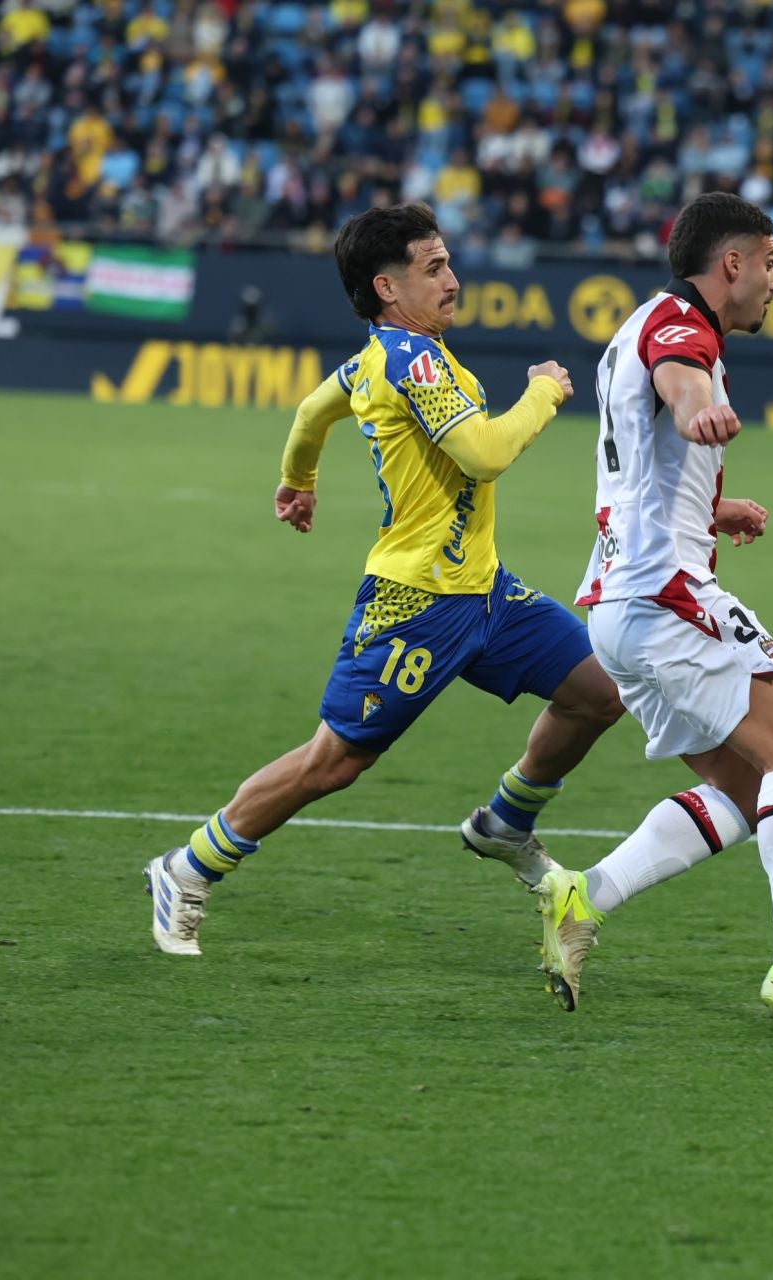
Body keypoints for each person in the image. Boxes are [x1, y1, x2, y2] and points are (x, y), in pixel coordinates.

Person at [143, 202, 628, 956]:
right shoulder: (414, 361)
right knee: (333, 763)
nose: (454, 281)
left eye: (448, 263)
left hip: (486, 592)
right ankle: (189, 866)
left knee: (599, 693)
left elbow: (312, 409)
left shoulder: (379, 357)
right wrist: (544, 392)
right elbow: (485, 453)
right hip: (417, 604)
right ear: (387, 286)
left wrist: (298, 478)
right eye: (434, 268)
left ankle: (506, 821)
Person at [536, 192, 773, 1034]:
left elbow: (644, 468)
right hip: (666, 602)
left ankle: (584, 899)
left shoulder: (642, 322)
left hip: (622, 603)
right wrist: (700, 403)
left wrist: (712, 511)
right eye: (770, 263)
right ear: (731, 263)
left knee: (749, 782)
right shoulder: (679, 329)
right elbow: (681, 375)